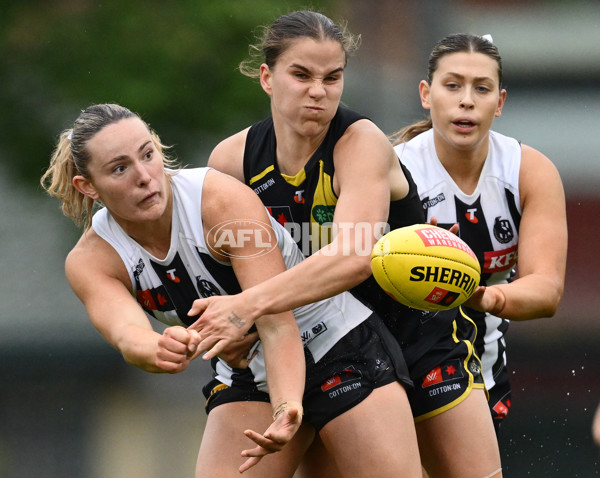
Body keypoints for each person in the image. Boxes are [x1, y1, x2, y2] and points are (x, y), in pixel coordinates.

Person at [192, 11, 501, 478]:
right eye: (301, 75)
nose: (318, 90)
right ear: (266, 77)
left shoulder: (359, 143)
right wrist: (233, 329)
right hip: (325, 346)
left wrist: (246, 306)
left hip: (417, 334)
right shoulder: (231, 161)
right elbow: (226, 270)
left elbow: (355, 257)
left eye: (332, 77)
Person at [40, 103, 421, 478]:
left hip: (336, 342)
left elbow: (277, 321)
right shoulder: (91, 260)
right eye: (120, 169)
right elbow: (127, 335)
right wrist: (160, 348)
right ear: (87, 186)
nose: (144, 176)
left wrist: (286, 404)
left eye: (148, 154)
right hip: (251, 372)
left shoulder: (217, 200)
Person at [390, 33, 567, 438]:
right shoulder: (391, 170)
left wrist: (479, 294)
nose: (466, 100)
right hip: (391, 370)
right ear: (425, 93)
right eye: (452, 85)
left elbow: (547, 290)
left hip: (480, 373)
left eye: (481, 88)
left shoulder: (529, 171)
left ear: (499, 102)